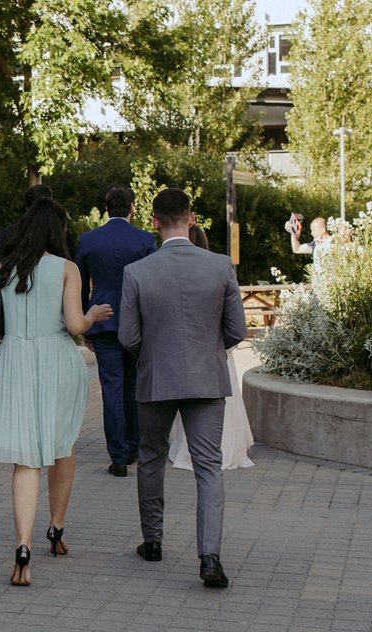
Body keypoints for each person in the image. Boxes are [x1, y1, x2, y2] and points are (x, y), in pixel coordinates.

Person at [0, 198, 113, 586]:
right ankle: (57, 529)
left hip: (16, 360)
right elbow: (76, 324)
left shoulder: (5, 270)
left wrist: (12, 336)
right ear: (57, 231)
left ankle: (22, 546)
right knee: (63, 443)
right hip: (58, 361)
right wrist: (95, 314)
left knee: (26, 457)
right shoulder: (66, 268)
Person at [119, 188, 247, 589]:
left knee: (151, 456)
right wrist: (208, 350)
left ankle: (152, 541)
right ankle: (210, 556)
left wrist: (155, 353)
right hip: (207, 377)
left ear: (153, 222)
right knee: (208, 465)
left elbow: (128, 336)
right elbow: (237, 330)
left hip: (156, 376)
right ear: (191, 219)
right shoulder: (220, 266)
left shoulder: (137, 272)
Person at [75, 184, 157, 477]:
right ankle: (134, 446)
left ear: (106, 207)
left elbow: (80, 286)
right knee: (133, 386)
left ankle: (118, 456)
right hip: (138, 324)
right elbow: (153, 285)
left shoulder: (88, 241)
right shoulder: (145, 240)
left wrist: (85, 320)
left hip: (103, 321)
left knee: (111, 387)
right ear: (132, 207)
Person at [168, 225, 254, 472]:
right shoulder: (219, 269)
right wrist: (220, 344)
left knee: (189, 403)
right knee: (224, 402)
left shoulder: (175, 275)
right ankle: (225, 447)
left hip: (186, 350)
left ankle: (189, 448)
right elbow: (236, 323)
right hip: (217, 347)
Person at [0, 184, 78, 258]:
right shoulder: (59, 232)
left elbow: (0, 266)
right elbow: (72, 259)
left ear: (26, 207)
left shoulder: (7, 234)